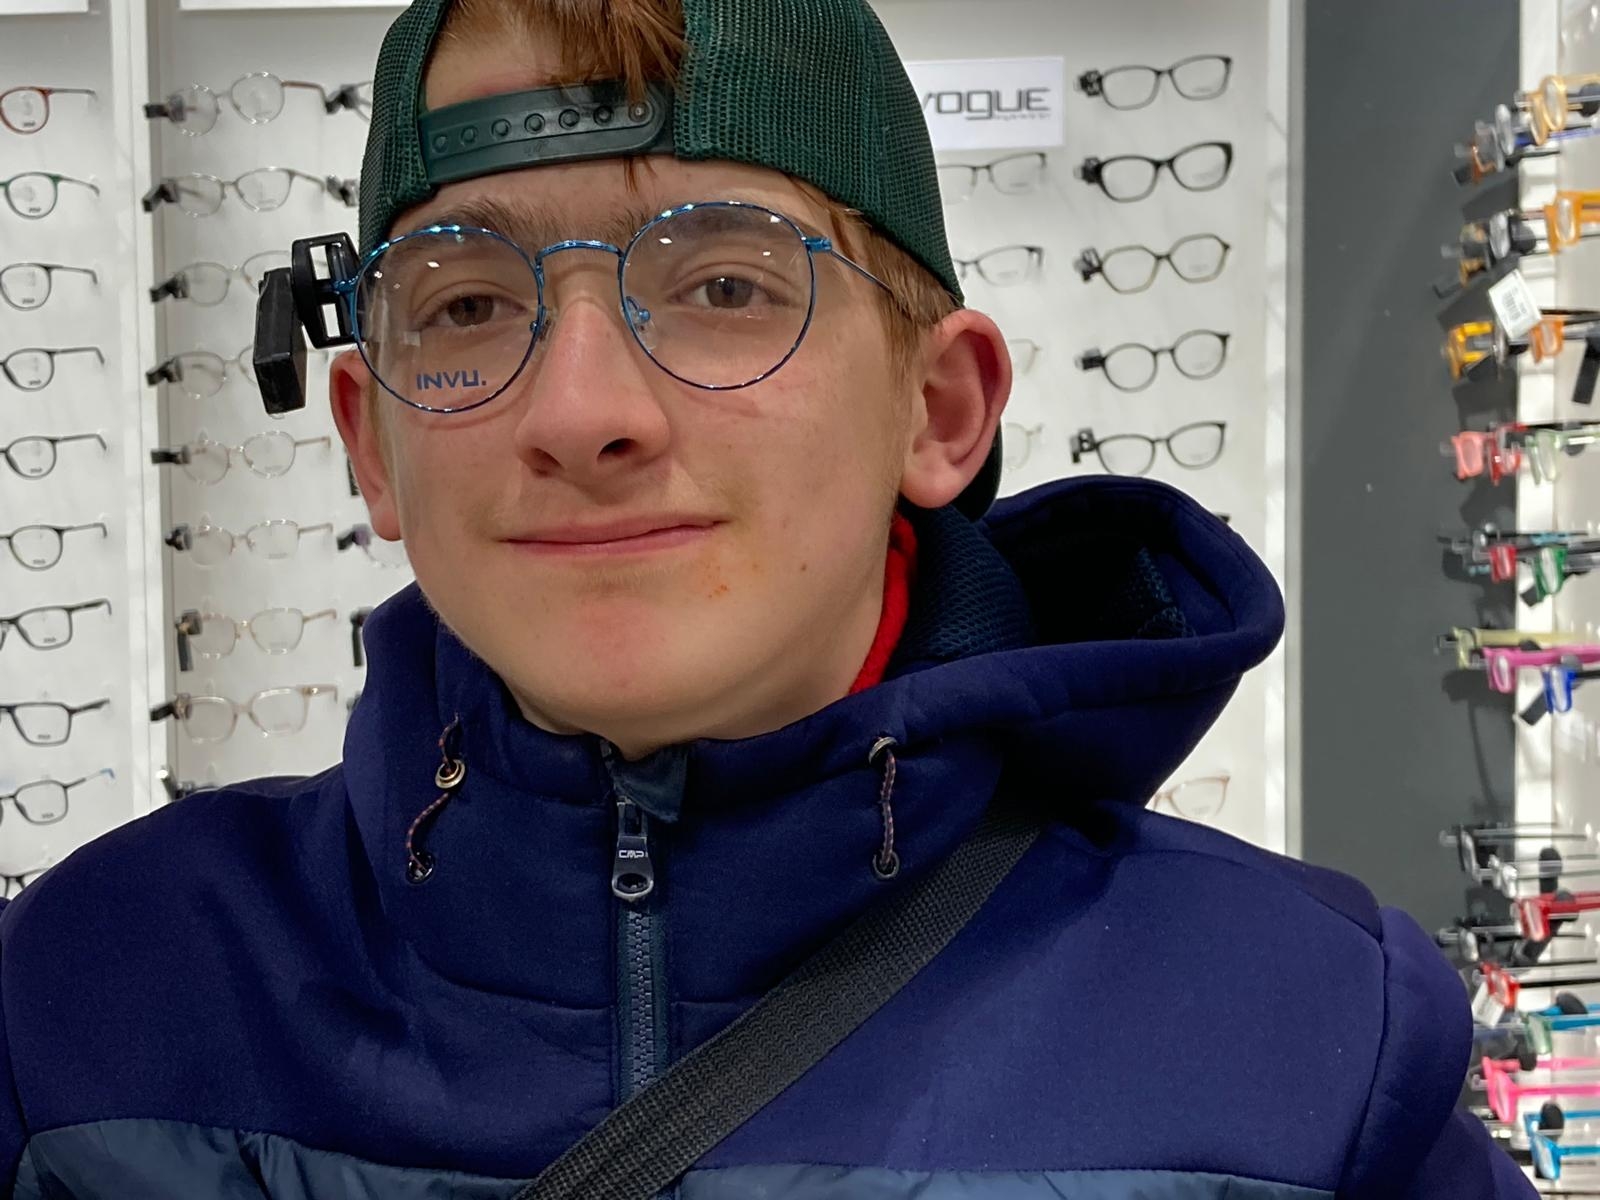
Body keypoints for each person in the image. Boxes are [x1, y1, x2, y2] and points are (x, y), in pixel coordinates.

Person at [0, 1, 1534, 1197]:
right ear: (371, 443)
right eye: (465, 303)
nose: (582, 411)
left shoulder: (1311, 1047)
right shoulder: (88, 1003)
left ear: (938, 409)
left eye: (725, 285)